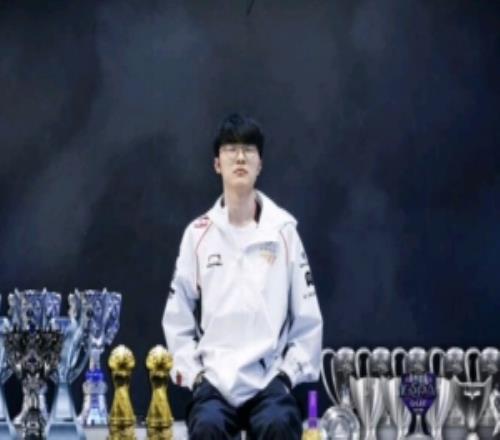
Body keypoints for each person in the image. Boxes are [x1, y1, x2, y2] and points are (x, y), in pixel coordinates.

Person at [162, 113, 323, 439]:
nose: (239, 157)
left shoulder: (283, 232)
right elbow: (176, 318)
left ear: (260, 164)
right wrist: (195, 377)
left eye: (248, 149)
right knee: (207, 426)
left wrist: (286, 376)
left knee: (279, 424)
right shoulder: (198, 234)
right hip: (215, 383)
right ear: (216, 164)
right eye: (230, 149)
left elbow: (308, 320)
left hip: (268, 383)